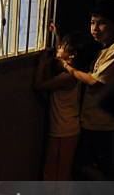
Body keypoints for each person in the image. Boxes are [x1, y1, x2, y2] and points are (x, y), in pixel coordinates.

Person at [58, 0, 114, 178]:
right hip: (91, 121)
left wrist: (68, 68)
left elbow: (95, 81)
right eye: (92, 22)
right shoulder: (101, 48)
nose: (95, 28)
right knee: (85, 167)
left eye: (102, 23)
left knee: (108, 171)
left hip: (109, 125)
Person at [34, 32, 99, 180]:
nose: (58, 49)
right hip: (67, 128)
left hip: (63, 130)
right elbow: (61, 61)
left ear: (72, 55)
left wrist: (41, 64)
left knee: (56, 170)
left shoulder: (66, 77)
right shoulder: (72, 74)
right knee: (59, 169)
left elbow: (38, 86)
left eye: (62, 47)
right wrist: (57, 35)